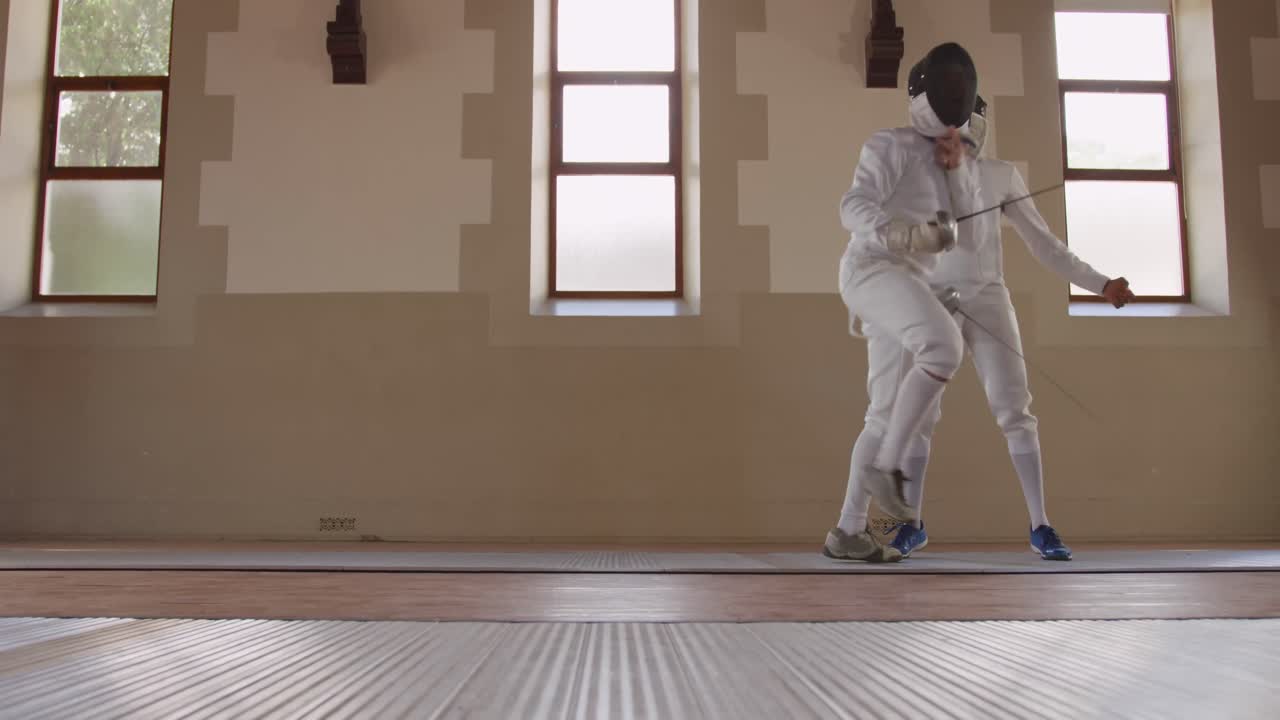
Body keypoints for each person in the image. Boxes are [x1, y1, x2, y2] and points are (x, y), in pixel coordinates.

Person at [850, 58, 1137, 562]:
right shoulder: (909, 166)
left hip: (987, 297)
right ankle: (909, 524)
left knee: (1014, 410)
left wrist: (1099, 284)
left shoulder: (1003, 176)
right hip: (929, 297)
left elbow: (1045, 245)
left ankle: (1041, 524)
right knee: (917, 417)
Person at [822, 42, 982, 563]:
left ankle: (847, 530)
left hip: (906, 284)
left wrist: (955, 173)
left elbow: (962, 231)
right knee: (945, 348)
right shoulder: (888, 144)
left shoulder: (954, 162)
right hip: (871, 270)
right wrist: (905, 236)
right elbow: (852, 206)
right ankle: (887, 466)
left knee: (883, 412)